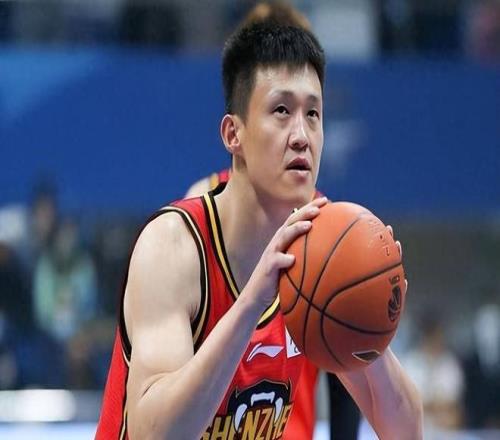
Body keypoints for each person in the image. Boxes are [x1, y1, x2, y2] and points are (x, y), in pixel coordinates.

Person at [96, 21, 422, 440]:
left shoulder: (319, 250)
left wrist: (374, 324)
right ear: (234, 134)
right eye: (281, 111)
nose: (302, 136)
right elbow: (152, 435)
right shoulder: (173, 247)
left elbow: (405, 433)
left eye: (313, 114)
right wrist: (252, 302)